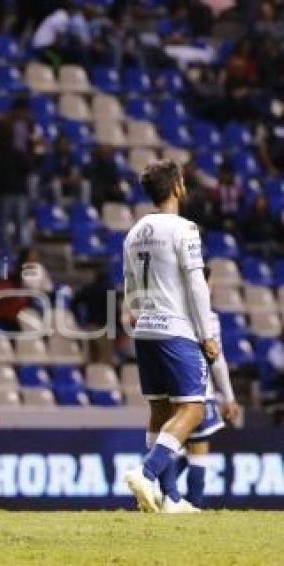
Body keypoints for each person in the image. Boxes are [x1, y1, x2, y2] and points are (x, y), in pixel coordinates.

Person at [123, 159, 219, 513]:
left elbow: (130, 290)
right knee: (192, 409)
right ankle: (146, 473)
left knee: (160, 410)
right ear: (178, 186)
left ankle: (170, 498)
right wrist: (206, 334)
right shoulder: (185, 229)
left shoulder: (133, 232)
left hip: (145, 328)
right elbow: (196, 284)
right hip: (176, 328)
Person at [171, 267, 240, 509]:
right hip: (199, 390)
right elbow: (216, 360)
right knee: (198, 450)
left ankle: (158, 491)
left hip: (170, 392)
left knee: (175, 448)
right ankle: (193, 504)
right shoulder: (207, 318)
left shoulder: (170, 314)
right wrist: (229, 397)